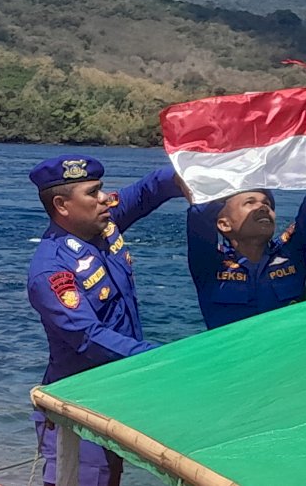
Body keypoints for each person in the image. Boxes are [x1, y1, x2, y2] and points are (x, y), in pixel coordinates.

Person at [27, 154, 184, 486]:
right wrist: (157, 358)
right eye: (93, 192)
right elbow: (88, 336)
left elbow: (148, 190)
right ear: (62, 205)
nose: (105, 198)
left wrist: (190, 173)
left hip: (115, 395)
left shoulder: (104, 223)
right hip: (78, 406)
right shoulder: (51, 270)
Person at [186, 66, 306, 329]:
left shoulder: (293, 252)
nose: (262, 207)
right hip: (234, 366)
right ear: (223, 224)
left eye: (267, 204)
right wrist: (228, 142)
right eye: (249, 202)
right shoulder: (209, 262)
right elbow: (201, 209)